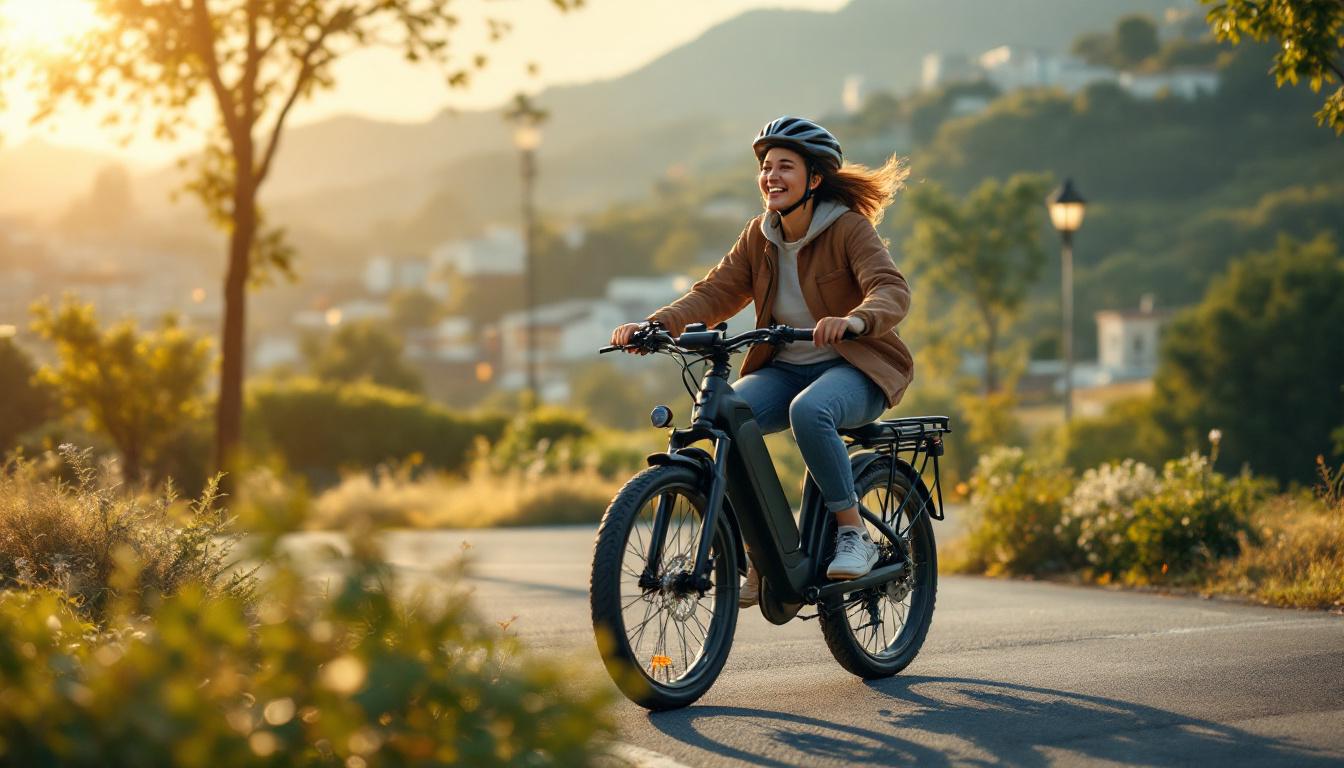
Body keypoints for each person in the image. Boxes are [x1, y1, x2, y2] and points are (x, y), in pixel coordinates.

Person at [609, 115, 913, 607]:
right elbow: (714, 292)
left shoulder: (848, 229)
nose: (771, 176)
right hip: (785, 369)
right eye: (766, 167)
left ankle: (852, 533)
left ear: (814, 179)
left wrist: (856, 320)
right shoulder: (760, 236)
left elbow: (890, 289)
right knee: (726, 417)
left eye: (785, 166)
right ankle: (761, 558)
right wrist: (656, 325)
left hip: (855, 368)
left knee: (809, 412)